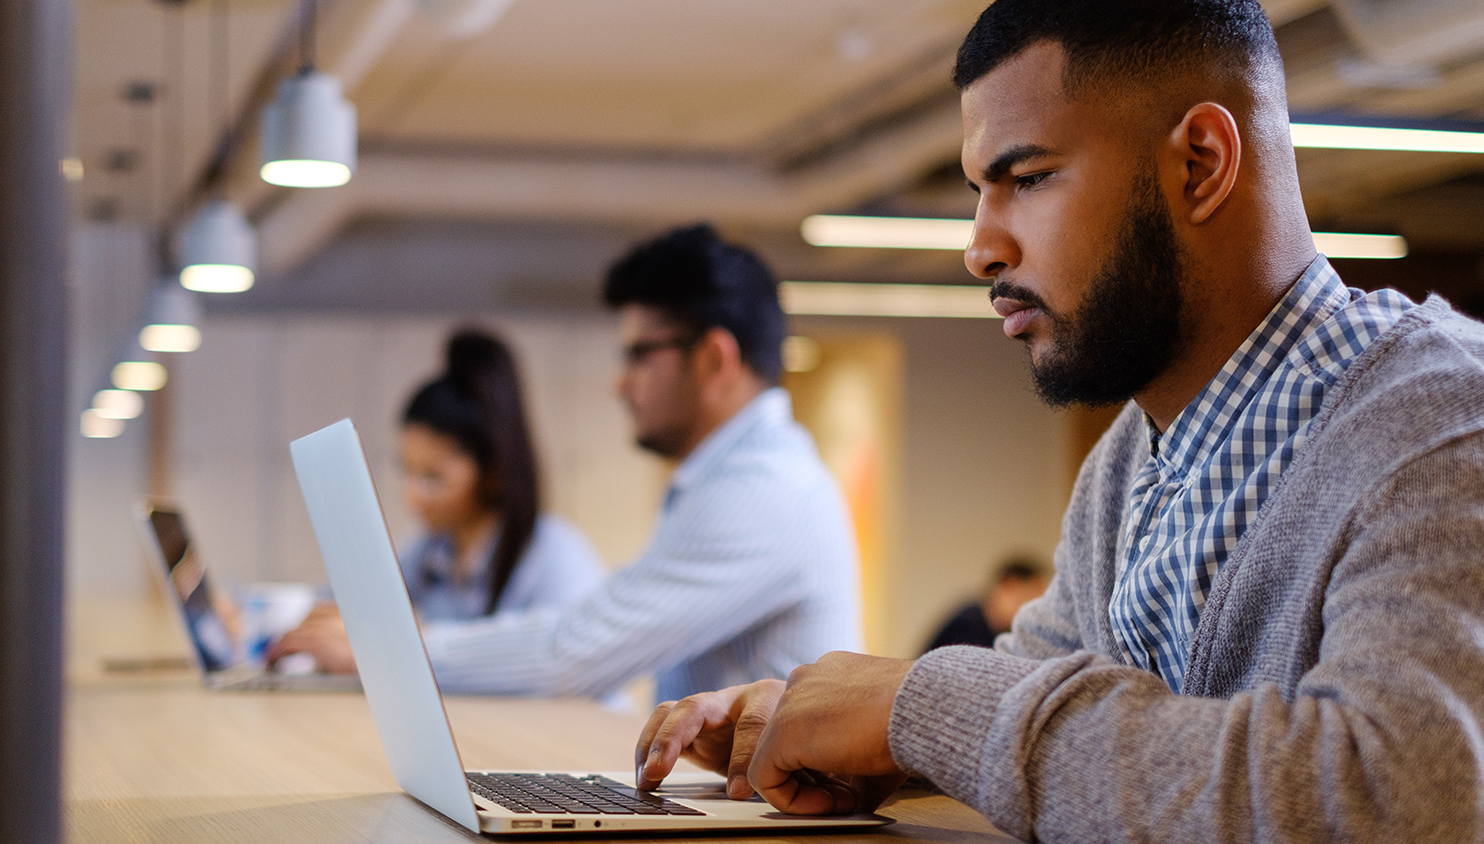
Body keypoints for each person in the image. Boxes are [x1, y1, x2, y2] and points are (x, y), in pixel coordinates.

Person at [633, 2, 1484, 841]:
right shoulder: (1132, 456)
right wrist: (830, 725)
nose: (981, 248)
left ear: (1201, 163)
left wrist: (917, 705)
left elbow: (1397, 796)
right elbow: (1041, 715)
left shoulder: (1444, 420)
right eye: (979, 192)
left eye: (1029, 178)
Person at [275, 224, 861, 702]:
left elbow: (572, 655)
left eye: (638, 356)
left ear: (714, 360)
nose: (619, 383)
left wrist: (388, 650)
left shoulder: (763, 492)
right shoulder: (732, 479)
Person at [270, 330, 604, 668]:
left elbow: (569, 663)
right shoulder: (432, 552)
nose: (412, 496)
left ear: (493, 469)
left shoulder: (556, 555)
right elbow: (343, 599)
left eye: (433, 478)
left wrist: (406, 641)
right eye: (407, 471)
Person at [922, 557, 1047, 652]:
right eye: (1026, 599)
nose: (1033, 612)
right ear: (1008, 586)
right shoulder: (966, 626)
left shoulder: (1001, 631)